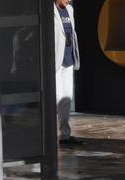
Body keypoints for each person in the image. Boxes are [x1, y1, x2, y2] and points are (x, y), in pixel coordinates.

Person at [55, 0, 83, 146]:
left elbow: (72, 34)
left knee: (66, 97)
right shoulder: (49, 11)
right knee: (57, 97)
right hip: (55, 61)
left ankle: (65, 135)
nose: (68, 0)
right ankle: (45, 134)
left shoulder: (70, 10)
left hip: (68, 59)